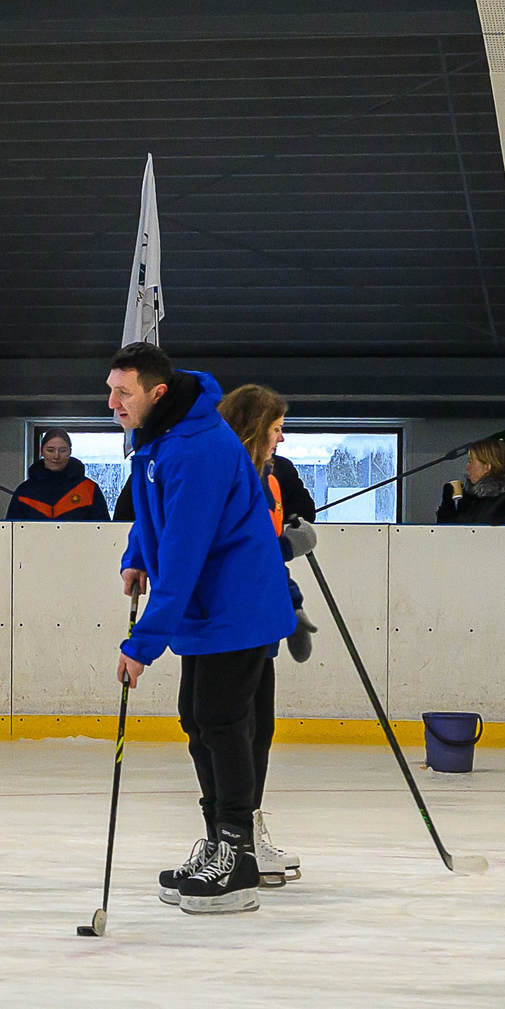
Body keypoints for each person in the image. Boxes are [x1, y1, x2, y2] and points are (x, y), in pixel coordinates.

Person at [107, 343, 295, 915]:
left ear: (157, 393)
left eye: (123, 393)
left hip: (235, 608)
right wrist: (136, 552)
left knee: (219, 719)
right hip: (210, 611)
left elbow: (186, 552)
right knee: (201, 717)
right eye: (110, 389)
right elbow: (152, 512)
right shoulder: (159, 438)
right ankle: (220, 842)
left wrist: (141, 645)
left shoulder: (199, 448)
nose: (112, 402)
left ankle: (236, 854)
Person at [183, 384, 318, 901]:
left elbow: (262, 557)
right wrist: (288, 548)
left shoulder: (270, 477)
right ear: (252, 427)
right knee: (214, 722)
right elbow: (237, 550)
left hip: (255, 615)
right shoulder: (229, 473)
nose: (282, 437)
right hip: (225, 614)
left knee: (250, 728)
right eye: (276, 427)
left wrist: (293, 602)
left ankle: (242, 842)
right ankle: (230, 842)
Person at [7, 427, 110, 521]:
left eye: (62, 450)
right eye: (50, 450)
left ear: (70, 452)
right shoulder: (24, 491)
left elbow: (104, 531)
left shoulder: (89, 489)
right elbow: (11, 532)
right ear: (41, 451)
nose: (56, 456)